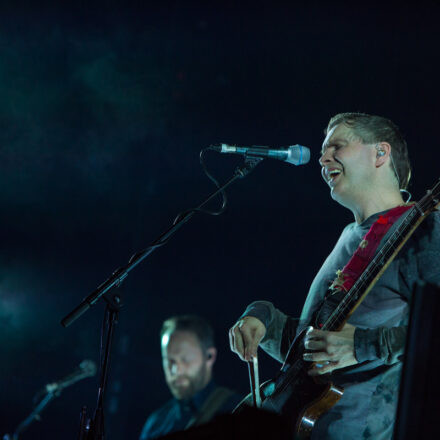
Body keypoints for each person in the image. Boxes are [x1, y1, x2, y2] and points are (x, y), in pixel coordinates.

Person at [229, 112, 440, 439]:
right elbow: (311, 350)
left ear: (380, 153)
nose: (323, 158)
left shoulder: (424, 230)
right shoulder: (350, 235)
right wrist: (260, 319)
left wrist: (362, 345)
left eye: (337, 146)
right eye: (323, 151)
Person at [140, 315, 241, 440]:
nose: (176, 370)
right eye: (169, 360)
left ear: (209, 356)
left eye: (185, 359)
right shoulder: (155, 423)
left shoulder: (238, 412)